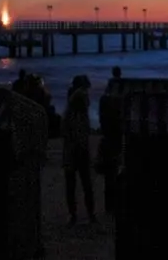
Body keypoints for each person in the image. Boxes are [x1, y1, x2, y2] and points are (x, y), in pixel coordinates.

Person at [62, 75, 96, 227]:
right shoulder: (79, 104)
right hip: (78, 148)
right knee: (85, 183)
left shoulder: (71, 109)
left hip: (72, 148)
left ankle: (75, 214)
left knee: (73, 184)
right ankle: (88, 214)